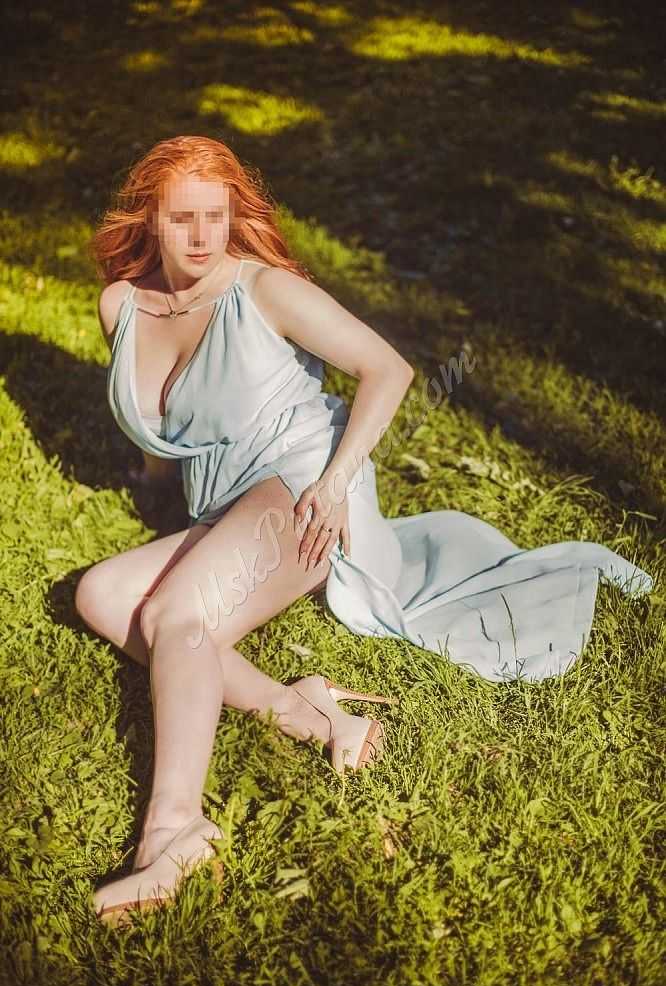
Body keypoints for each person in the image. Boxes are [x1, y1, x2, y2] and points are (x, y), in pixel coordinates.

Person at [79, 135, 653, 925]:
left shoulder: (263, 289)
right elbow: (163, 430)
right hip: (224, 506)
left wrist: (336, 481)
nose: (203, 236)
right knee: (102, 595)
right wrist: (153, 486)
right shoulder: (122, 306)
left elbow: (390, 370)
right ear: (150, 218)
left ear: (235, 216)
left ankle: (175, 831)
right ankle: (307, 712)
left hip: (300, 489)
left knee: (177, 616)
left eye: (216, 215)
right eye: (183, 219)